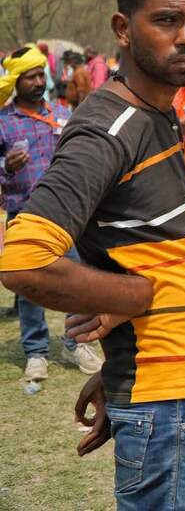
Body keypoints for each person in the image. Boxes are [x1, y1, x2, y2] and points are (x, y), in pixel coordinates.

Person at [0, 0, 185, 510]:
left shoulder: (157, 115)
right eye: (165, 20)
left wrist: (117, 366)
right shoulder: (110, 127)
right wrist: (133, 295)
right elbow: (23, 258)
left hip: (177, 390)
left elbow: (137, 243)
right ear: (123, 29)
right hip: (169, 402)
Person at [0, 46, 102, 378]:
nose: (37, 81)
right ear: (16, 81)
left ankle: (76, 343)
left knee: (77, 283)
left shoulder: (61, 113)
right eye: (29, 76)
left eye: (40, 74)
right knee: (32, 289)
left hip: (66, 215)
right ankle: (36, 352)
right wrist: (6, 167)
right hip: (24, 216)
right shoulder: (3, 123)